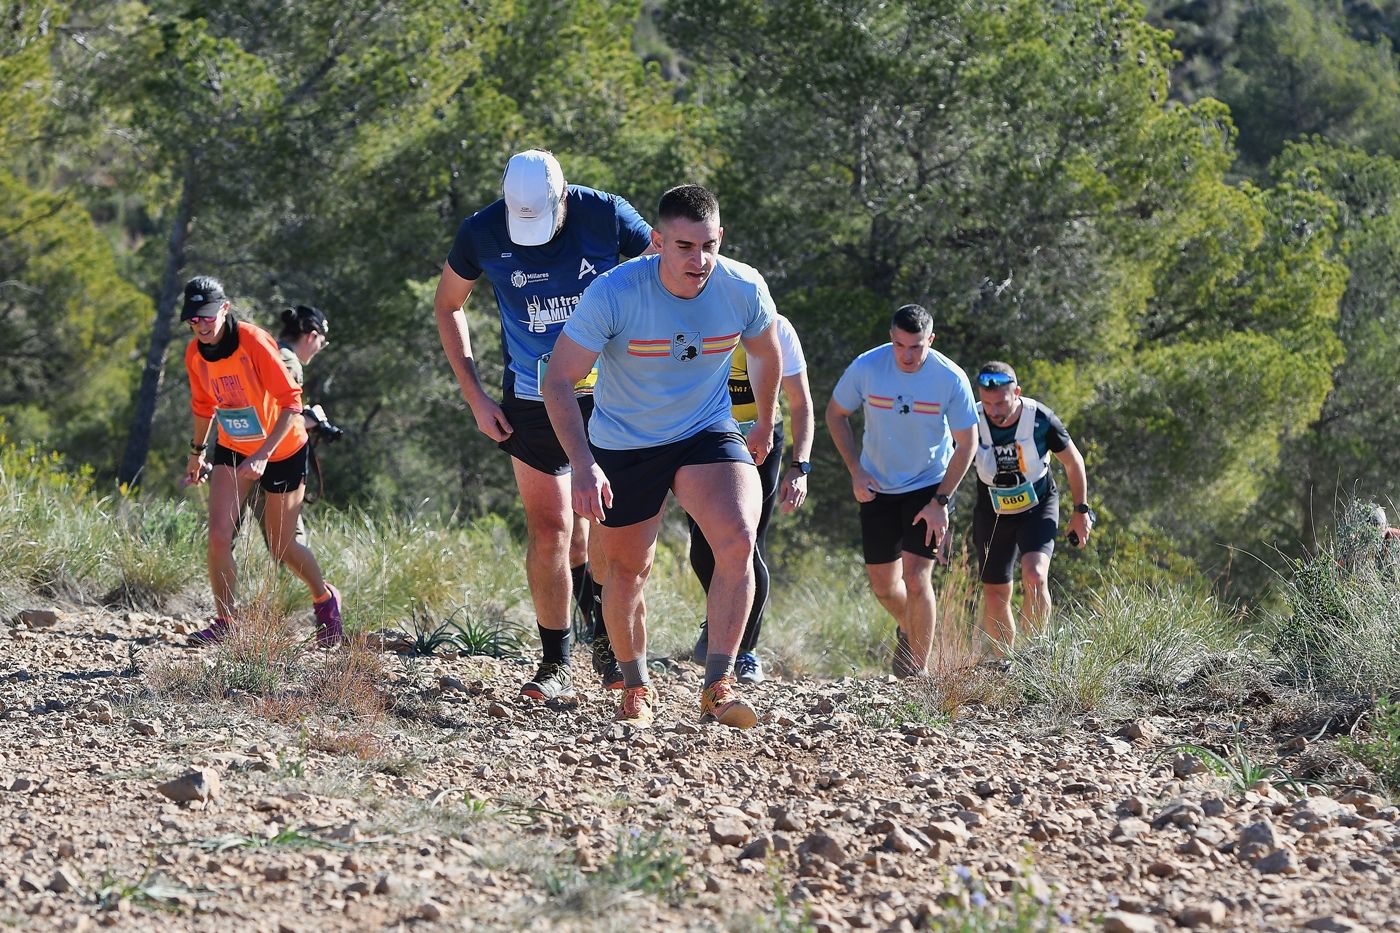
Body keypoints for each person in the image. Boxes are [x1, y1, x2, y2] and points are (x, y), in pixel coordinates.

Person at [542, 183, 780, 729]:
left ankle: (719, 683)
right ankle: (635, 684)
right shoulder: (616, 293)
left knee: (740, 538)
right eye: (684, 247)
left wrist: (764, 421)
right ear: (657, 241)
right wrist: (582, 462)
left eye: (709, 246)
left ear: (721, 239)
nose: (699, 261)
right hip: (625, 441)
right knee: (627, 570)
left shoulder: (743, 287)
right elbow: (558, 380)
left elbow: (766, 354)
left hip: (706, 429)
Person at [432, 149, 654, 700]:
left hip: (611, 394)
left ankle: (610, 641)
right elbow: (447, 305)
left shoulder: (606, 215)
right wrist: (476, 396)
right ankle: (554, 660)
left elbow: (663, 269)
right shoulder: (481, 231)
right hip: (530, 394)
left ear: (562, 197)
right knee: (550, 526)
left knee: (607, 523)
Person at [179, 275, 343, 647]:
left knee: (282, 547)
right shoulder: (195, 354)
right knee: (219, 538)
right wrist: (196, 454)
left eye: (206, 317)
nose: (200, 325)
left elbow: (291, 403)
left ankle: (324, 597)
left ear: (224, 309)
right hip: (234, 445)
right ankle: (226, 621)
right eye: (193, 319)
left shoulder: (253, 342)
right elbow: (204, 407)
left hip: (282, 449)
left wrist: (262, 456)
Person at [825, 304, 977, 677]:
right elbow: (835, 414)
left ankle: (917, 675)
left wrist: (941, 501)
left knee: (916, 576)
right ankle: (911, 626)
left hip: (927, 487)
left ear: (931, 341)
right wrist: (856, 472)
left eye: (916, 347)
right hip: (877, 485)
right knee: (883, 585)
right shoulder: (867, 367)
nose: (907, 355)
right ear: (890, 339)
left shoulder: (949, 378)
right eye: (899, 345)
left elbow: (967, 443)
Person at [688, 313, 814, 683]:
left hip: (760, 438)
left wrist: (800, 466)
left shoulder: (778, 329)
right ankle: (719, 619)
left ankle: (744, 650)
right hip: (704, 435)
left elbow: (800, 402)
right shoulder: (702, 320)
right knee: (700, 544)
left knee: (747, 541)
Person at [969, 361, 1093, 652]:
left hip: (1038, 506)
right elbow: (949, 465)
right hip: (993, 512)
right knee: (997, 592)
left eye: (1001, 402)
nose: (995, 411)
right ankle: (1005, 661)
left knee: (1035, 575)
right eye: (987, 403)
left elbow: (1073, 462)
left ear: (1018, 392)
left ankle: (1037, 653)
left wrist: (1081, 511)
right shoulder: (970, 419)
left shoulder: (1041, 419)